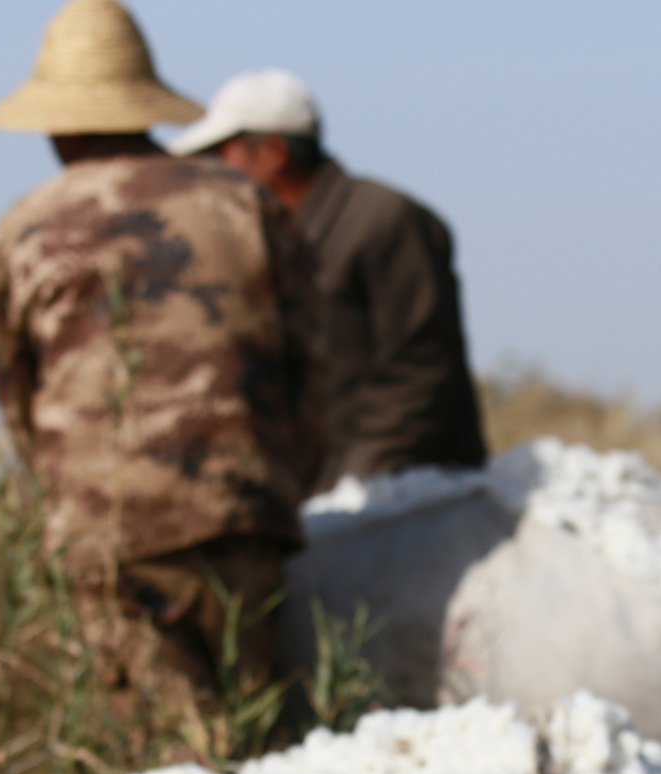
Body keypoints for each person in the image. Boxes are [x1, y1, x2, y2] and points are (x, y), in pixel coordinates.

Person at [0, 1, 322, 755]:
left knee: (173, 772)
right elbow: (310, 366)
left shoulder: (21, 230)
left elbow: (21, 408)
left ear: (56, 123)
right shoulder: (246, 203)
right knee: (269, 754)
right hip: (247, 517)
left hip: (115, 538)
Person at [168, 69, 486, 487]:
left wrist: (350, 493)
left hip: (408, 504)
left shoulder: (383, 221)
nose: (211, 173)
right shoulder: (274, 240)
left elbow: (415, 379)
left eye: (219, 155)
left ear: (273, 152)